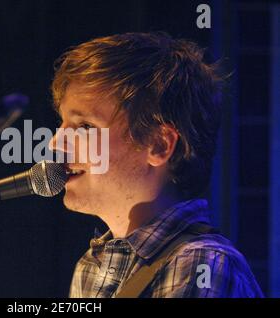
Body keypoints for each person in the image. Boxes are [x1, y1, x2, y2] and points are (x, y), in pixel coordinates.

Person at [49, 32, 263, 298]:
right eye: (62, 123)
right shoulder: (91, 267)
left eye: (85, 126)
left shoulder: (200, 264)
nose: (56, 142)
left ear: (159, 145)